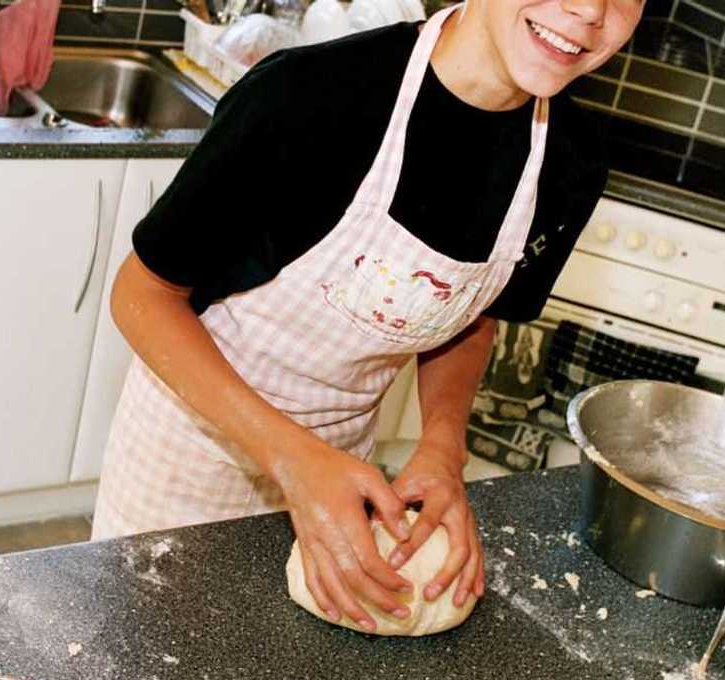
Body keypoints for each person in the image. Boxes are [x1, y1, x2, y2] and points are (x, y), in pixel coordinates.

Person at [92, 0, 645, 632]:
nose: (588, 10)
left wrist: (442, 446)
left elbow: (473, 315)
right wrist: (293, 460)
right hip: (191, 453)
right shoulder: (310, 97)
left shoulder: (570, 163)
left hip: (346, 467)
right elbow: (142, 296)